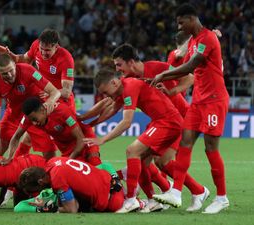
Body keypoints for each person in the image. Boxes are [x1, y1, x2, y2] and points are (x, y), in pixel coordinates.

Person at [150, 3, 230, 214]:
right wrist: (163, 75)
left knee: (210, 148)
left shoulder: (207, 39)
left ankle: (222, 197)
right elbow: (180, 69)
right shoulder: (194, 41)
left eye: (180, 22)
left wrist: (163, 75)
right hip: (198, 101)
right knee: (185, 143)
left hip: (214, 100)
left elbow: (191, 66)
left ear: (191, 19)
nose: (179, 27)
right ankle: (176, 191)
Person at [110, 43, 208, 212]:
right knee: (143, 160)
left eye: (119, 64)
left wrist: (172, 92)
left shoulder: (156, 67)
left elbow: (190, 78)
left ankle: (190, 191)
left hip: (180, 118)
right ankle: (164, 195)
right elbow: (110, 102)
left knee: (159, 161)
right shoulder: (131, 80)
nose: (118, 70)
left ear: (130, 62)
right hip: (162, 120)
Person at [83, 68, 183, 213]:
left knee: (132, 151)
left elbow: (126, 122)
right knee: (141, 160)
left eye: (106, 92)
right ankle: (153, 200)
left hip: (168, 121)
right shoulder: (121, 89)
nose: (106, 96)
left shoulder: (129, 87)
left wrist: (102, 140)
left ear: (114, 82)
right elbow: (112, 110)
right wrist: (90, 124)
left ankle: (130, 200)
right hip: (162, 121)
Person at [0, 53, 60, 208]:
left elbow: (55, 92)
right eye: (5, 73)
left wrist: (50, 102)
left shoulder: (27, 70)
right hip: (13, 116)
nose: (10, 74)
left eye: (11, 70)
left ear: (15, 65)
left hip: (34, 117)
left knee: (49, 155)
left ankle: (49, 193)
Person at [0, 96, 101, 166]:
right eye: (31, 120)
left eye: (35, 120)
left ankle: (112, 187)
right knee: (68, 175)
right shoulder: (31, 117)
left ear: (43, 110)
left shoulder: (62, 112)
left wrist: (69, 159)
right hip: (65, 147)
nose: (34, 124)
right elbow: (16, 136)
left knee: (94, 162)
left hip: (84, 138)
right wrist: (9, 157)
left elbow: (80, 138)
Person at [0, 28, 75, 111]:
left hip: (63, 102)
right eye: (41, 49)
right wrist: (9, 54)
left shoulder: (66, 59)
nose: (43, 53)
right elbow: (24, 60)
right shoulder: (36, 45)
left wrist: (52, 93)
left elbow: (66, 92)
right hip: (44, 98)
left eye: (47, 50)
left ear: (56, 47)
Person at [18, 157, 126, 213]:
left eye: (36, 190)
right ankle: (121, 180)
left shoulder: (57, 180)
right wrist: (115, 178)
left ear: (40, 182)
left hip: (112, 201)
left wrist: (47, 208)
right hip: (110, 181)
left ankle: (137, 202)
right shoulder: (54, 161)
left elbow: (72, 209)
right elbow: (105, 165)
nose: (38, 192)